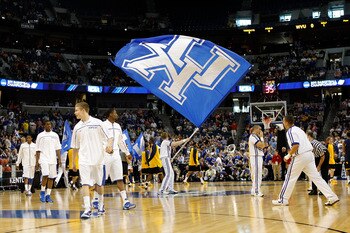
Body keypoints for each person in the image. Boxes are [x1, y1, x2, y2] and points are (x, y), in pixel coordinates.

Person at [272, 115, 339, 206]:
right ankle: (332, 197)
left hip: (300, 156)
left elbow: (296, 145)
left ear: (286, 122)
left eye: (283, 121)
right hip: (309, 155)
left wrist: (288, 155)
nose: (283, 123)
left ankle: (283, 199)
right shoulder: (299, 129)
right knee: (317, 178)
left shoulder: (290, 131)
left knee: (289, 177)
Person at [71, 102, 114, 219]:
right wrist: (73, 162)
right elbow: (74, 146)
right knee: (85, 183)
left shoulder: (98, 123)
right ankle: (87, 209)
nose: (75, 112)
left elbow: (110, 137)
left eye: (76, 110)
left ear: (84, 110)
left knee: (98, 184)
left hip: (98, 159)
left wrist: (109, 146)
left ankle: (101, 205)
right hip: (84, 160)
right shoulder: (77, 127)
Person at [101, 108, 136, 210]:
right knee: (102, 179)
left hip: (116, 155)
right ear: (110, 114)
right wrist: (106, 148)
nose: (117, 114)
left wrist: (127, 153)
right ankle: (98, 201)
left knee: (119, 178)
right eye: (115, 113)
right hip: (105, 154)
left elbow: (121, 141)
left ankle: (126, 202)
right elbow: (100, 140)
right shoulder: (103, 125)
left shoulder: (118, 126)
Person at [35, 120, 62, 203]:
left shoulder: (55, 135)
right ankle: (42, 193)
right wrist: (37, 162)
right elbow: (37, 150)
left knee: (51, 177)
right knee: (45, 174)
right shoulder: (40, 135)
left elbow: (58, 148)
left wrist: (60, 159)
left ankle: (48, 195)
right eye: (47, 124)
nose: (49, 126)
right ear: (44, 126)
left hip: (53, 159)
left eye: (50, 124)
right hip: (43, 158)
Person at [306, 131, 329, 195]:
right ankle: (314, 190)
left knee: (324, 173)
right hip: (317, 156)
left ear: (309, 136)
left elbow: (322, 156)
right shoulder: (308, 143)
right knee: (313, 172)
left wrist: (319, 166)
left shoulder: (315, 144)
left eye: (306, 135)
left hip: (324, 155)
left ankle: (324, 191)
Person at [249, 125, 268, 197]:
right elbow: (262, 145)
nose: (261, 131)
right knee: (257, 174)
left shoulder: (256, 137)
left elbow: (263, 145)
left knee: (258, 174)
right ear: (256, 129)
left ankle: (254, 190)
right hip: (255, 157)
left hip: (258, 157)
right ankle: (256, 191)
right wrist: (262, 138)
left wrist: (262, 142)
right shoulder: (253, 136)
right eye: (260, 129)